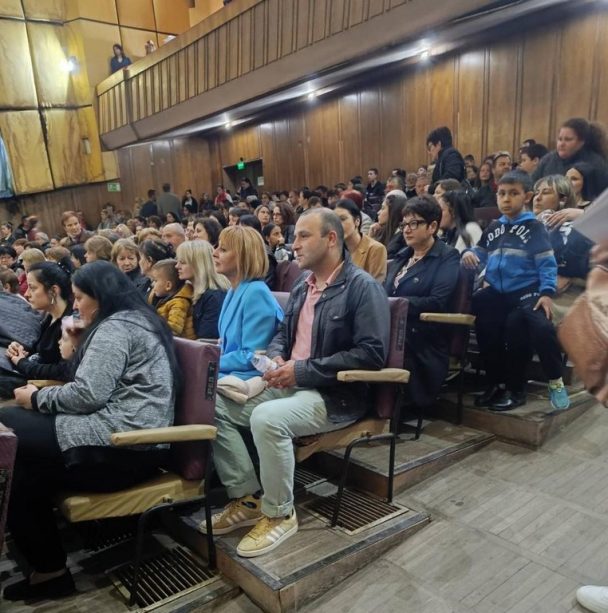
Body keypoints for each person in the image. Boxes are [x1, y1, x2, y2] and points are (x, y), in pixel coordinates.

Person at [201, 209, 389, 558]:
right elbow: (282, 337)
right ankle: (247, 498)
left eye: (304, 236)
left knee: (267, 418)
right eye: (296, 235)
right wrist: (275, 358)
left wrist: (301, 371)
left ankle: (280, 513)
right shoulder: (303, 285)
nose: (294, 243)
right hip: (292, 385)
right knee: (211, 408)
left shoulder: (363, 287)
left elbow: (371, 354)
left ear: (330, 239)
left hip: (335, 395)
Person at [0, 261, 178, 602]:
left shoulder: (118, 327)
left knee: (9, 427)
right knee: (21, 471)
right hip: (115, 435)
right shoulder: (128, 321)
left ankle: (50, 571)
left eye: (80, 298)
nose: (76, 305)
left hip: (125, 447)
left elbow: (87, 394)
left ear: (101, 296)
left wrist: (36, 398)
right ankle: (50, 572)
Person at [462, 171, 569, 411]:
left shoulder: (535, 227)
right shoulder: (494, 227)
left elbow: (547, 263)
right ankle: (496, 383)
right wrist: (469, 253)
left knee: (531, 329)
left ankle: (542, 383)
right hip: (497, 293)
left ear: (527, 196)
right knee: (486, 327)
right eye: (501, 194)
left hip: (526, 292)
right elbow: (480, 252)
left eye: (513, 194)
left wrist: (546, 293)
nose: (506, 199)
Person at [385, 196, 460, 411]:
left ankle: (384, 406)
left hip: (422, 336)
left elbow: (437, 302)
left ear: (432, 227)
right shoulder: (401, 257)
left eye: (414, 223)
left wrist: (395, 304)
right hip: (392, 328)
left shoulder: (447, 257)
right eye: (404, 224)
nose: (407, 230)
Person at [1, 262, 72, 397]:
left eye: (32, 288)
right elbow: (41, 353)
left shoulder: (69, 323)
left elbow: (63, 371)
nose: (26, 294)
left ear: (53, 290)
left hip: (49, 390)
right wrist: (20, 351)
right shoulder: (50, 317)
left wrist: (22, 363)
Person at [532, 117, 608, 189]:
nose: (561, 144)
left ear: (581, 142)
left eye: (568, 139)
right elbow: (532, 185)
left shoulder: (596, 164)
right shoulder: (548, 160)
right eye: (560, 139)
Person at [175, 240, 229, 339]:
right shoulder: (188, 291)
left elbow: (207, 339)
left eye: (182, 262)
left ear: (198, 265)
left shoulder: (214, 297)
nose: (177, 266)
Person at [334, 198, 387, 282]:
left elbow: (375, 286)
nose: (338, 225)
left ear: (357, 221)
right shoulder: (334, 250)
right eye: (335, 221)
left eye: (343, 219)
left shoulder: (375, 249)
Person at [148, 259, 195, 338]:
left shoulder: (179, 303)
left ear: (168, 285)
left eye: (155, 281)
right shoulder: (163, 300)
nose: (152, 284)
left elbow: (174, 329)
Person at [369, 191, 407, 257]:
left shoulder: (400, 238)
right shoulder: (381, 231)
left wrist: (370, 238)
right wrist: (371, 236)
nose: (378, 212)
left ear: (393, 212)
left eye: (383, 208)